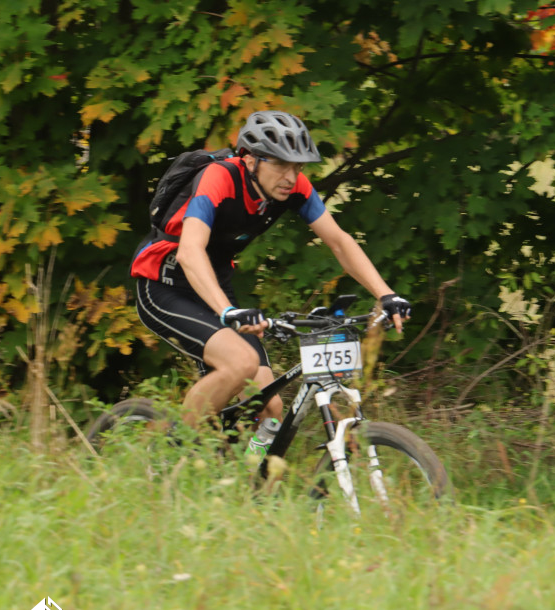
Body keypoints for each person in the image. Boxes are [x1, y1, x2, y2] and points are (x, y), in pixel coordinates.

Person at [131, 111, 411, 428]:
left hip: (216, 289)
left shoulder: (293, 188)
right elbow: (190, 251)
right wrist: (228, 311)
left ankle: (247, 473)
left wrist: (386, 296)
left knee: (270, 408)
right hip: (165, 286)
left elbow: (338, 241)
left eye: (298, 166)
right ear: (250, 160)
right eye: (280, 163)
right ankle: (172, 455)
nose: (290, 177)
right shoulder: (220, 178)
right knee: (240, 363)